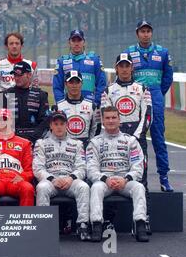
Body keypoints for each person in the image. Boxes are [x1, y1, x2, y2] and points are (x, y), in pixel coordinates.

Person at [101, 53, 153, 232]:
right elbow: (104, 117)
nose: (124, 69)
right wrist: (117, 135)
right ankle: (108, 219)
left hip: (137, 139)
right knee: (111, 176)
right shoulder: (108, 90)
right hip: (114, 139)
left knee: (141, 179)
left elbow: (148, 115)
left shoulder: (142, 88)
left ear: (132, 68)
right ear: (116, 68)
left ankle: (142, 219)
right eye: (121, 65)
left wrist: (136, 136)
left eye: (127, 65)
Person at [124, 21, 174, 192]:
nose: (145, 34)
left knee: (159, 137)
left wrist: (157, 93)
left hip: (156, 96)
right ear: (137, 33)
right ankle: (134, 177)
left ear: (151, 33)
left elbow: (168, 78)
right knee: (134, 138)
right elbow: (124, 74)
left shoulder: (162, 52)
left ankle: (164, 178)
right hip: (135, 99)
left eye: (148, 31)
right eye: (142, 31)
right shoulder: (129, 52)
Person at [87, 106, 149, 242]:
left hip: (125, 181)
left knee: (139, 187)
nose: (111, 121)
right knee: (96, 187)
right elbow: (91, 168)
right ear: (102, 121)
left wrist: (125, 180)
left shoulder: (131, 141)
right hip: (105, 182)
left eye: (114, 117)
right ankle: (97, 226)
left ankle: (140, 225)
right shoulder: (95, 142)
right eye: (107, 118)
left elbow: (138, 167)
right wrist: (105, 179)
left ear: (119, 120)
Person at [33, 110, 90, 241]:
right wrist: (52, 179)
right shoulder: (41, 143)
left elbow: (82, 167)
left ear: (67, 125)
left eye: (62, 123)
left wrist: (71, 178)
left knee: (84, 187)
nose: (59, 126)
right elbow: (38, 168)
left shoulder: (77, 144)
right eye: (56, 123)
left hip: (70, 181)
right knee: (41, 188)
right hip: (50, 181)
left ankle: (83, 225)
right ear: (51, 126)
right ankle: (43, 227)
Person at [0, 109, 34, 206]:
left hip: (15, 180)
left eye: (5, 119)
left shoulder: (25, 143)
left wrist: (23, 177)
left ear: (11, 121)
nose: (2, 122)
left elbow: (29, 169)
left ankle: (25, 221)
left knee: (28, 188)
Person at [53, 29, 106, 107]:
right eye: (74, 40)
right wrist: (61, 104)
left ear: (84, 42)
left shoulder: (94, 60)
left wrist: (96, 103)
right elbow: (57, 87)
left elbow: (102, 84)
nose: (76, 43)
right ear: (69, 42)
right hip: (68, 106)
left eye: (79, 40)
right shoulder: (62, 62)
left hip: (91, 106)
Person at [3, 61, 50, 145]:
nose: (17, 78)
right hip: (11, 140)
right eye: (15, 75)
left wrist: (34, 137)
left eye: (20, 75)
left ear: (29, 75)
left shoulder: (40, 95)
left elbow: (45, 120)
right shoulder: (5, 94)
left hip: (34, 140)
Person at [57, 70, 97, 148]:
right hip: (65, 149)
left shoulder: (91, 106)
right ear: (66, 84)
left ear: (82, 84)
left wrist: (90, 145)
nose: (74, 86)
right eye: (71, 82)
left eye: (77, 82)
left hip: (85, 149)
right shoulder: (59, 106)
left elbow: (95, 129)